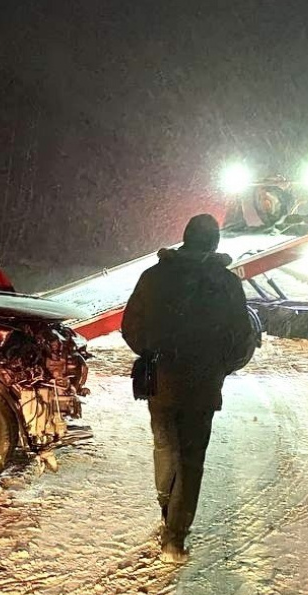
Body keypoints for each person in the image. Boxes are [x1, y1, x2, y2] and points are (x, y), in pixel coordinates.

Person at [121, 213, 255, 563]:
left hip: (160, 379)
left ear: (185, 238)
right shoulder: (226, 284)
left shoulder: (153, 277)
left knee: (165, 447)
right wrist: (221, 367)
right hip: (202, 384)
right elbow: (243, 338)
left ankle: (167, 509)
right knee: (192, 459)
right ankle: (174, 539)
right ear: (214, 243)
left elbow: (129, 325)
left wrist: (151, 353)